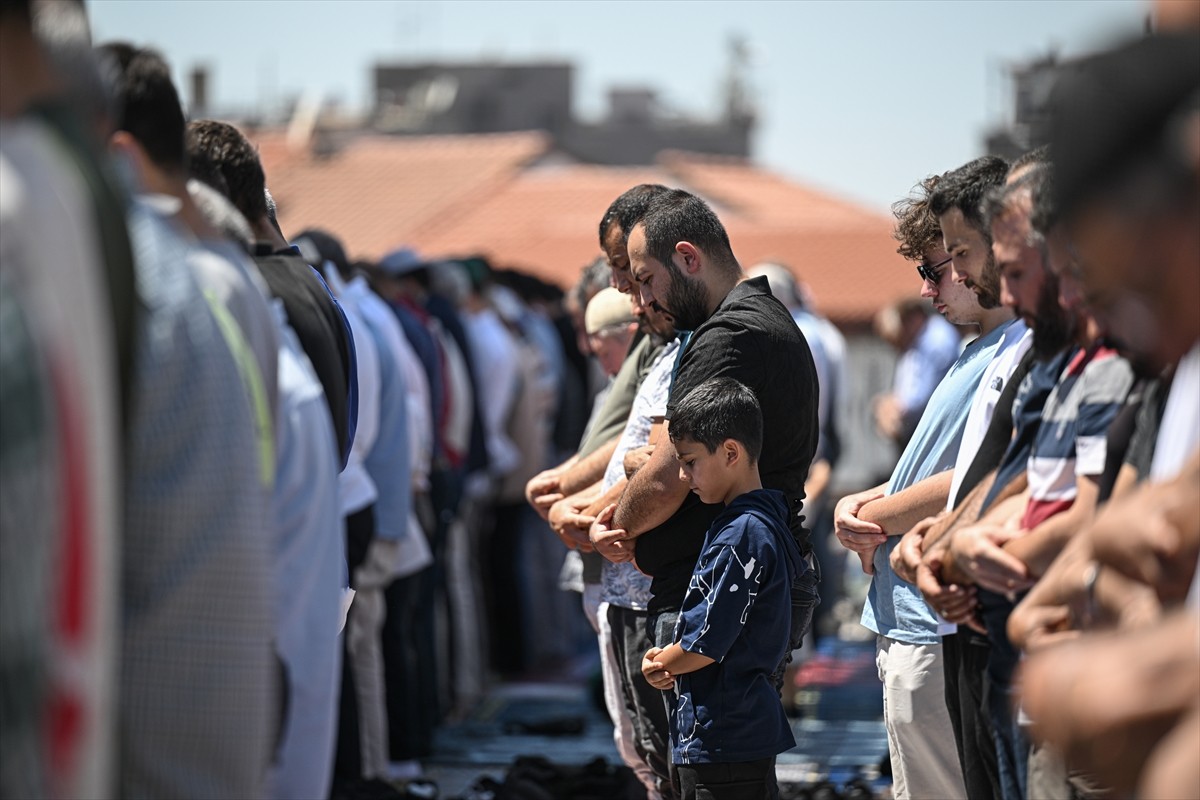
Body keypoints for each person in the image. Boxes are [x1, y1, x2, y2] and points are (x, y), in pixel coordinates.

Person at [832, 170, 1014, 800]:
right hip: (913, 614)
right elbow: (940, 464)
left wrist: (876, 514)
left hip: (934, 619)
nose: (933, 285)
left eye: (946, 263)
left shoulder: (1013, 348)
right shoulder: (978, 348)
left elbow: (979, 475)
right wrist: (866, 500)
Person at [596, 188, 820, 694]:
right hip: (727, 585)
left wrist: (617, 526)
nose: (645, 301)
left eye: (647, 280)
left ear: (688, 258)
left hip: (716, 594)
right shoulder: (751, 322)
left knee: (709, 769)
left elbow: (670, 473)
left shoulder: (730, 336)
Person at [634, 378, 801, 800]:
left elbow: (707, 640)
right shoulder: (759, 522)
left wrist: (662, 662)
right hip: (735, 733)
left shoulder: (741, 534)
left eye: (689, 461)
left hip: (725, 738)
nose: (683, 476)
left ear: (730, 452)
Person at [873, 297, 961, 449]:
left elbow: (923, 395)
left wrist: (895, 407)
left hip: (938, 434)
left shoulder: (936, 340)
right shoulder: (920, 340)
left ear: (913, 318)